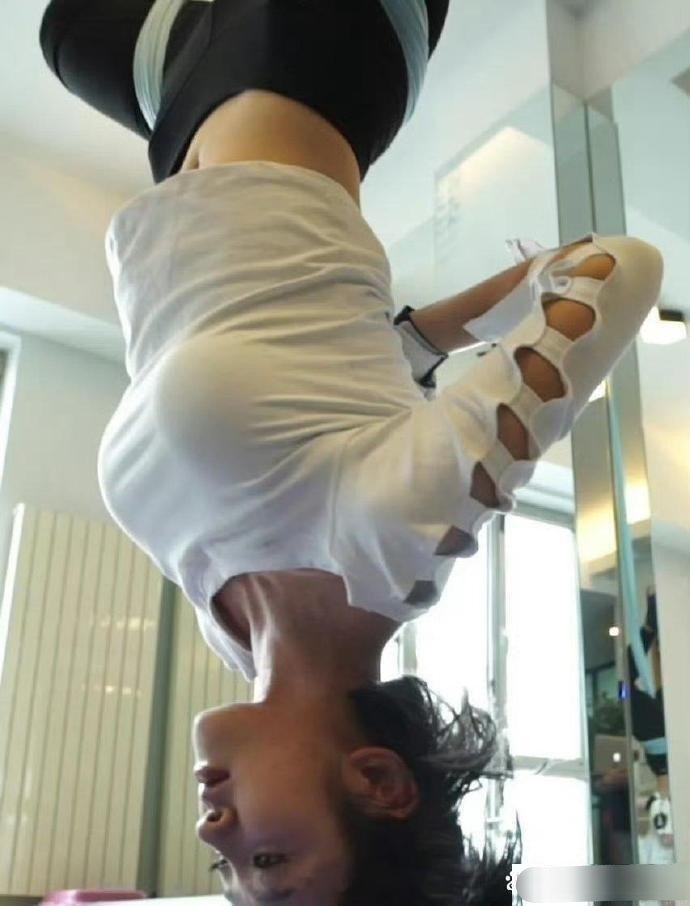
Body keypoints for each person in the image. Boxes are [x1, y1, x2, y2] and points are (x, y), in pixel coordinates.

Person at [39, 1, 665, 903]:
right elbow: (615, 268)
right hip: (310, 51)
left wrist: (387, 356)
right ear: (377, 782)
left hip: (176, 111)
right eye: (268, 860)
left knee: (63, 34)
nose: (213, 832)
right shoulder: (396, 535)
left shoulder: (228, 626)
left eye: (226, 870)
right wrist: (418, 339)